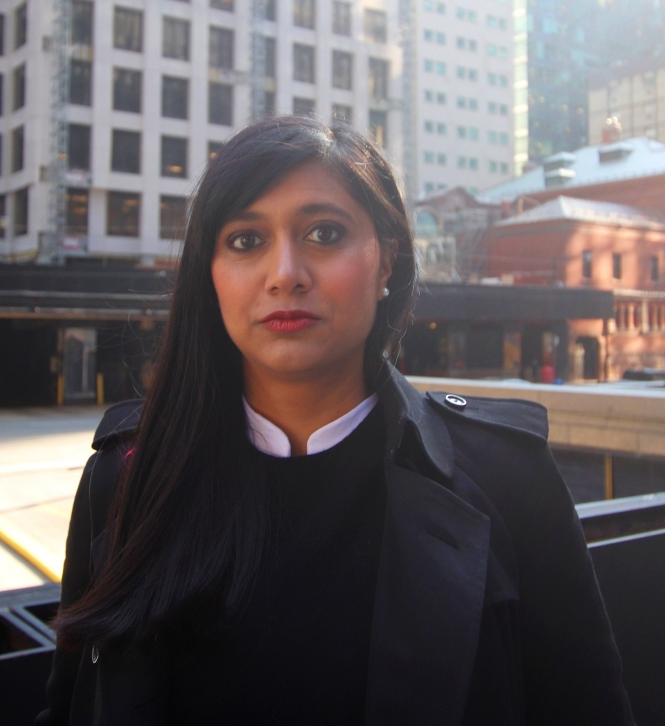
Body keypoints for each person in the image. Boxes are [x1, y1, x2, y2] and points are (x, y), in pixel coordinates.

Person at [38, 117, 633, 726]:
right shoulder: (126, 481)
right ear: (208, 273)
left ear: (386, 261)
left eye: (324, 233)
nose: (285, 273)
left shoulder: (508, 481)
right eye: (246, 241)